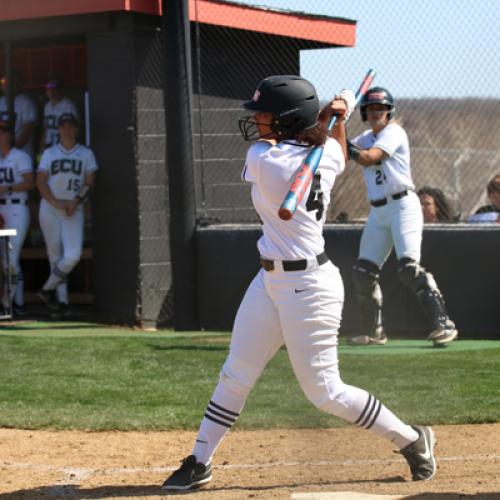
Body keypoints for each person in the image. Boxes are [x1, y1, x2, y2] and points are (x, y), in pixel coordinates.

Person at [162, 76, 436, 491]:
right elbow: (338, 150)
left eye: (265, 115)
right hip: (269, 279)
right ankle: (200, 461)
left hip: (310, 287)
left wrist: (330, 115)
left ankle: (412, 439)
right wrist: (337, 115)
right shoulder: (323, 152)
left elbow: (321, 146)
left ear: (289, 121)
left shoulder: (264, 159)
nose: (256, 122)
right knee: (235, 373)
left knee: (325, 392)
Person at [346, 87, 457, 347]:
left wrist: (345, 143)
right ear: (364, 112)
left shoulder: (394, 132)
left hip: (403, 205)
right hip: (378, 210)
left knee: (408, 269)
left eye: (381, 109)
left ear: (389, 111)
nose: (376, 113)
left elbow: (368, 157)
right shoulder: (364, 136)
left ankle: (443, 324)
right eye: (371, 109)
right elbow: (343, 152)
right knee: (362, 273)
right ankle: (375, 333)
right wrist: (338, 123)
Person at [36, 113, 97, 316]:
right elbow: (40, 181)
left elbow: (90, 182)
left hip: (73, 207)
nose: (67, 129)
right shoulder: (50, 153)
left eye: (71, 126)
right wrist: (54, 201)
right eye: (63, 126)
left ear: (77, 129)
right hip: (51, 207)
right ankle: (61, 303)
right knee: (54, 254)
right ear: (59, 129)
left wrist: (76, 200)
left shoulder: (86, 153)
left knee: (72, 255)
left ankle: (47, 289)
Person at [0, 120, 34, 315]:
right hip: (1, 211)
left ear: (10, 136)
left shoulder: (20, 156)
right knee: (8, 259)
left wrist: (7, 188)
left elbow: (30, 182)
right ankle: (18, 303)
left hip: (17, 208)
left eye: (2, 131)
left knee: (10, 258)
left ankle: (7, 304)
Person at [0, 75, 38, 160]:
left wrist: (11, 151)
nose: (4, 85)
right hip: (3, 154)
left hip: (22, 153)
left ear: (16, 84)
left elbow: (27, 132)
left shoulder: (26, 103)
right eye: (2, 82)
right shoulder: (1, 101)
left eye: (7, 82)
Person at [40, 79, 79, 151]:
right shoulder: (47, 106)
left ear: (60, 89)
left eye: (54, 88)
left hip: (63, 146)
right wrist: (41, 148)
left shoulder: (68, 105)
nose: (51, 91)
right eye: (48, 88)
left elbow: (75, 129)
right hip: (49, 146)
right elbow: (45, 129)